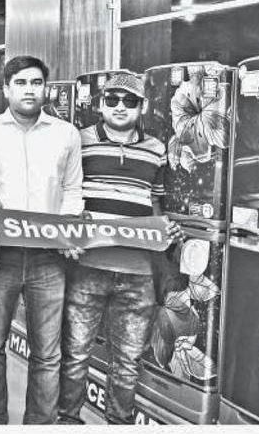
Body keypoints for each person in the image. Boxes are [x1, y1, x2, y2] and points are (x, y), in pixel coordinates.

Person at [0, 56, 83, 425]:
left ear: (46, 87)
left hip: (48, 257)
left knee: (47, 353)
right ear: (6, 89)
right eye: (20, 83)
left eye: (36, 82)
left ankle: (40, 424)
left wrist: (68, 229)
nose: (29, 90)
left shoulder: (66, 134)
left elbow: (72, 189)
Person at [58, 73, 170, 424]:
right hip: (87, 267)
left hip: (138, 273)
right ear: (100, 104)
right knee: (75, 355)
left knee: (127, 362)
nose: (120, 107)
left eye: (130, 101)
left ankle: (118, 425)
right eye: (112, 100)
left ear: (142, 107)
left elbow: (156, 205)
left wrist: (165, 231)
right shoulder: (79, 141)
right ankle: (68, 421)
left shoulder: (157, 149)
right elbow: (63, 193)